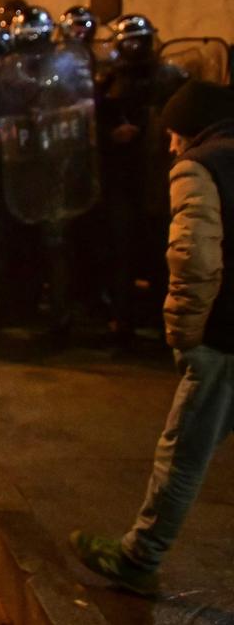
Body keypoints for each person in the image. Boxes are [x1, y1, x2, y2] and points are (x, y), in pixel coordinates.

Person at [72, 79, 234, 596]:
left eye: (172, 134)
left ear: (190, 130)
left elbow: (194, 256)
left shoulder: (200, 167)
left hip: (225, 333)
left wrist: (188, 338)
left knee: (184, 452)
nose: (168, 145)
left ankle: (140, 557)